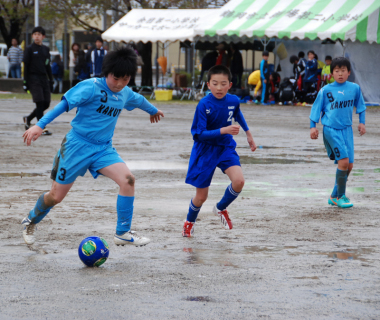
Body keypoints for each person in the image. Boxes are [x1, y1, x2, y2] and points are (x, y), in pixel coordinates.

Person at [21, 46, 164, 247]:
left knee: (128, 180)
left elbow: (139, 100)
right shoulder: (90, 87)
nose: (120, 84)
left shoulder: (125, 92)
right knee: (55, 197)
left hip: (103, 149)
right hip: (76, 147)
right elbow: (63, 105)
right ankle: (30, 220)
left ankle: (122, 232)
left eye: (126, 79)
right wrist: (39, 125)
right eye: (116, 78)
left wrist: (153, 110)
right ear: (107, 72)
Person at [182, 65, 257, 237]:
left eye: (223, 84)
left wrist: (248, 133)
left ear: (229, 85)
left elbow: (237, 113)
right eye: (215, 83)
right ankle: (189, 222)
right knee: (201, 197)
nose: (219, 87)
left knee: (239, 182)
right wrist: (223, 130)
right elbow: (198, 134)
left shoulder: (233, 100)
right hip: (205, 151)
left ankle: (221, 208)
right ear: (208, 85)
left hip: (225, 148)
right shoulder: (203, 104)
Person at [309, 57, 366, 208]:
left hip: (347, 130)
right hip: (331, 129)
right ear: (332, 73)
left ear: (349, 72)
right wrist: (313, 126)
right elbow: (316, 108)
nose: (340, 74)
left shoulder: (354, 88)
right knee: (344, 162)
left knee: (350, 165)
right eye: (337, 71)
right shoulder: (325, 90)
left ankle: (334, 195)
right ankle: (341, 196)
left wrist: (362, 123)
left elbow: (361, 106)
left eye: (343, 71)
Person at [22, 26, 54, 135]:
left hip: (43, 78)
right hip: (33, 78)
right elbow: (25, 66)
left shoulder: (46, 49)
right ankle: (42, 127)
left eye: (39, 34)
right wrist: (25, 82)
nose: (37, 36)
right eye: (35, 34)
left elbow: (47, 65)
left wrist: (51, 80)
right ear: (32, 36)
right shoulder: (29, 49)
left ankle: (28, 118)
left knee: (46, 103)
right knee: (39, 103)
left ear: (43, 36)